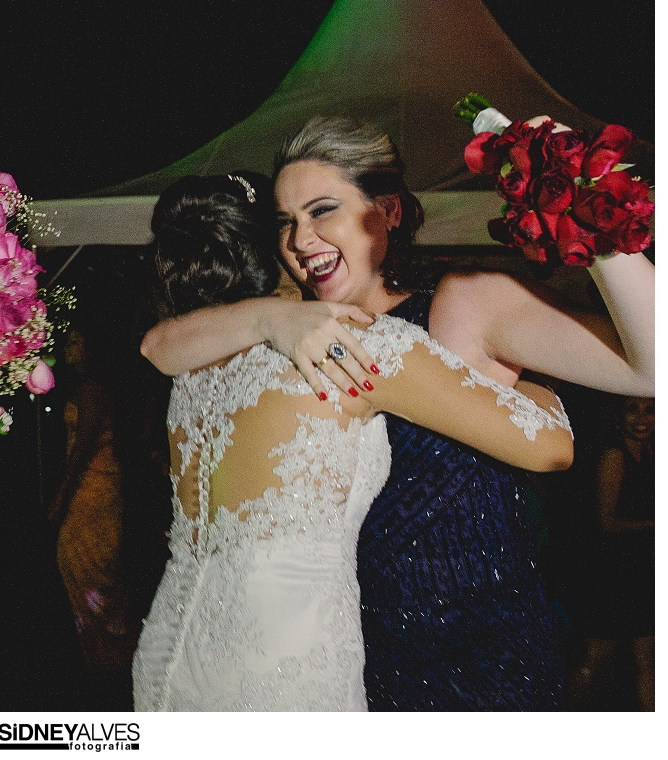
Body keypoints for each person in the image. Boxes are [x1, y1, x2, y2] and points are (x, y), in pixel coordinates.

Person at [139, 117, 655, 710]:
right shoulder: (290, 336)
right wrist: (271, 316)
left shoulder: (461, 305)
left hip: (479, 663)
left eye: (322, 210)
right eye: (285, 222)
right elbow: (159, 346)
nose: (300, 240)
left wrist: (593, 217)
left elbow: (651, 370)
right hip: (357, 665)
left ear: (387, 211)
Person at [569, 395, 654, 711]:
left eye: (649, 410)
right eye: (632, 409)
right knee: (596, 660)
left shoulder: (650, 453)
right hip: (613, 574)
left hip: (639, 572)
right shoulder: (615, 456)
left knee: (647, 660)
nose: (641, 418)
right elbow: (606, 521)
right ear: (618, 416)